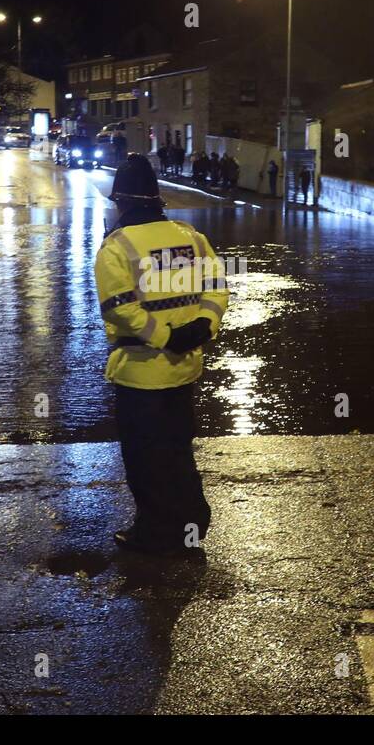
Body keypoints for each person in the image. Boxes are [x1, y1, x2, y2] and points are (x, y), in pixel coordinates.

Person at [94, 154, 230, 555]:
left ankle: (156, 534)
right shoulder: (190, 237)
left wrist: (163, 337)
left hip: (141, 374)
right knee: (177, 453)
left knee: (146, 460)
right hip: (186, 370)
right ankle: (190, 527)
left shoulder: (116, 247)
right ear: (157, 198)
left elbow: (120, 307)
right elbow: (216, 287)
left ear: (121, 201)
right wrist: (201, 328)